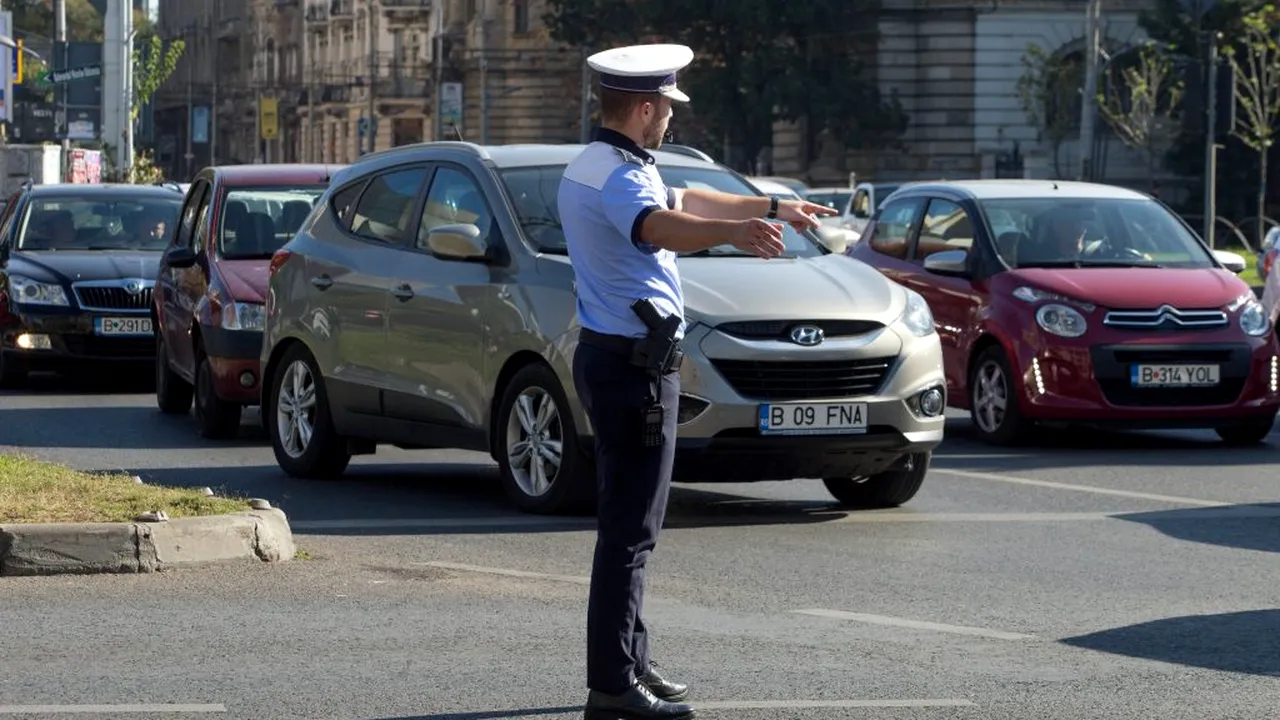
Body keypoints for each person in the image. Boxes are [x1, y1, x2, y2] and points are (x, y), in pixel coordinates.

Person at [557, 43, 836, 720]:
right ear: (645, 108)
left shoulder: (598, 163)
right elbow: (658, 225)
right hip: (633, 367)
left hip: (614, 356)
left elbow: (686, 196)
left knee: (630, 526)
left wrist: (772, 203)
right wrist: (734, 233)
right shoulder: (622, 180)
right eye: (667, 110)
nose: (670, 123)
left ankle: (631, 664)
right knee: (631, 532)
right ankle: (613, 687)